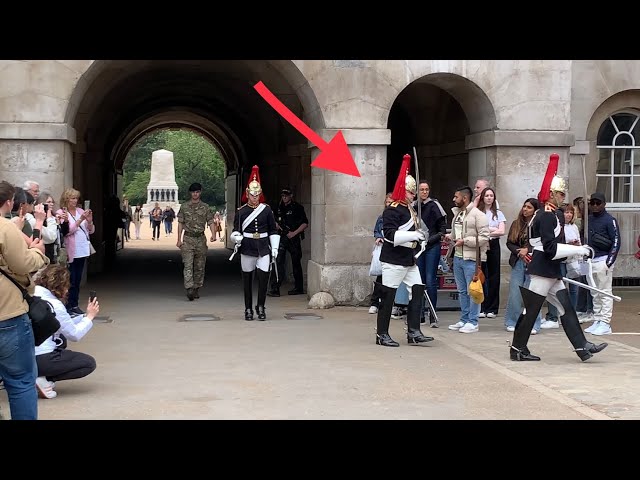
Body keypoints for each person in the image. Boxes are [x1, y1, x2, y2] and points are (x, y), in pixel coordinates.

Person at [509, 153, 608, 362]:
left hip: (550, 270)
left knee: (566, 307)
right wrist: (579, 250)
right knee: (532, 310)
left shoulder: (552, 215)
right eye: (561, 194)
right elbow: (551, 249)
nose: (564, 197)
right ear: (552, 194)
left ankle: (582, 347)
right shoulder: (546, 216)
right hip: (543, 269)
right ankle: (517, 348)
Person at [0, 180, 49, 420]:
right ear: (9, 202)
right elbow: (23, 264)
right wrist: (38, 253)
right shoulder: (5, 228)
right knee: (20, 381)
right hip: (7, 313)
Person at [374, 153, 433, 347]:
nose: (413, 195)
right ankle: (382, 334)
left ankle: (414, 331)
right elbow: (390, 236)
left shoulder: (410, 209)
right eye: (410, 192)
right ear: (402, 191)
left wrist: (420, 240)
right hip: (393, 259)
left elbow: (414, 231)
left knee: (417, 290)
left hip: (408, 258)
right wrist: (413, 236)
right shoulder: (392, 210)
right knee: (388, 297)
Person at [33, 264, 98, 399]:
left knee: (61, 342)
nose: (68, 290)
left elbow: (61, 323)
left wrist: (84, 316)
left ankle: (37, 377)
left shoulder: (31, 295)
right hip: (43, 357)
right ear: (59, 285)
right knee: (88, 363)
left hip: (24, 356)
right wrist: (91, 317)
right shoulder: (54, 304)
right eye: (67, 285)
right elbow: (74, 334)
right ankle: (43, 379)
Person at [230, 165, 279, 320]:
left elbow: (272, 230)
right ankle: (248, 309)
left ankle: (261, 307)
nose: (255, 197)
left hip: (264, 247)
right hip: (247, 247)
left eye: (257, 194)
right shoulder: (241, 211)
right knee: (247, 280)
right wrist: (236, 238)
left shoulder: (267, 210)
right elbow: (236, 230)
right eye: (252, 194)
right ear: (247, 194)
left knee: (264, 278)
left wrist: (275, 247)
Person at [446, 186, 490, 333]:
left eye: (456, 197)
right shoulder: (458, 214)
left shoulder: (478, 215)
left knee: (474, 291)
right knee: (462, 291)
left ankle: (473, 321)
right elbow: (456, 232)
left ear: (464, 198)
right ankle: (464, 319)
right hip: (458, 257)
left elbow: (484, 237)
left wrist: (465, 241)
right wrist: (451, 237)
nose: (453, 199)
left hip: (471, 259)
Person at [583, 192, 621, 336]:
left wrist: (609, 262)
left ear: (604, 204)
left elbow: (616, 241)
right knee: (594, 292)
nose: (595, 206)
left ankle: (605, 322)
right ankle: (597, 319)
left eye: (598, 203)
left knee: (604, 292)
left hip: (602, 259)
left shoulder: (609, 220)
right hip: (588, 260)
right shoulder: (588, 219)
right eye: (592, 203)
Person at [504, 198, 542, 333]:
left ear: (535, 210)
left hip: (533, 262)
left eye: (529, 207)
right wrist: (518, 251)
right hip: (518, 261)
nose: (525, 209)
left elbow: (543, 243)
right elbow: (509, 243)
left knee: (532, 293)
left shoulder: (539, 224)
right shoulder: (516, 224)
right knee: (515, 293)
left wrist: (529, 250)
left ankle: (534, 323)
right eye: (524, 206)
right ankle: (511, 321)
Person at [57, 188, 94, 315]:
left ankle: (75, 304)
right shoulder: (61, 213)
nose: (75, 200)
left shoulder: (80, 211)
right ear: (66, 199)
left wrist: (89, 221)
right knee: (70, 280)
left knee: (77, 279)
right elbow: (67, 231)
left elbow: (91, 230)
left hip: (82, 249)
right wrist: (80, 220)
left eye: (76, 198)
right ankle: (68, 306)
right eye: (72, 198)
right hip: (71, 250)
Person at [415, 180, 447, 326]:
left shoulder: (434, 205)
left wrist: (430, 240)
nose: (424, 192)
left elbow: (442, 228)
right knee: (419, 281)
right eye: (421, 189)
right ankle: (419, 313)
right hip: (418, 247)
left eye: (426, 189)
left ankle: (433, 314)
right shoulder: (414, 206)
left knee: (430, 280)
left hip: (432, 246)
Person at [176, 182, 216, 301]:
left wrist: (213, 234)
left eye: (197, 192)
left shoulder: (205, 207)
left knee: (199, 265)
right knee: (188, 264)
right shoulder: (184, 207)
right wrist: (178, 239)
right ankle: (189, 288)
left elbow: (210, 222)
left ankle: (196, 287)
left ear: (200, 192)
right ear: (190, 193)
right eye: (193, 192)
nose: (195, 194)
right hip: (188, 239)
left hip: (200, 239)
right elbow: (180, 223)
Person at [267, 187, 309, 296]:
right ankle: (275, 288)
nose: (284, 197)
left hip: (294, 238)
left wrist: (294, 233)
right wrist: (275, 225)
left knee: (296, 263)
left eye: (286, 195)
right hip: (282, 237)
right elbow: (272, 220)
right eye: (283, 195)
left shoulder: (298, 208)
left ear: (291, 195)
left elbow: (305, 223)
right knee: (278, 261)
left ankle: (298, 288)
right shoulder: (278, 207)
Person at [477, 187, 506, 318]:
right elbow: (476, 229)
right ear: (482, 197)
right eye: (487, 195)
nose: (489, 198)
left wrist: (487, 230)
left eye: (491, 196)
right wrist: (492, 228)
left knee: (494, 275)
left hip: (494, 244)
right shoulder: (478, 212)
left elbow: (501, 231)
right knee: (481, 274)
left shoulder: (498, 213)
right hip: (481, 244)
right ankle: (481, 307)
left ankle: (492, 308)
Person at [369, 192, 393, 314]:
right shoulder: (382, 217)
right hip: (383, 248)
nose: (388, 205)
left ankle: (391, 304)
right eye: (387, 202)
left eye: (391, 202)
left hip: (394, 249)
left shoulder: (397, 217)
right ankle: (375, 302)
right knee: (380, 276)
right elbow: (376, 230)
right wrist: (378, 237)